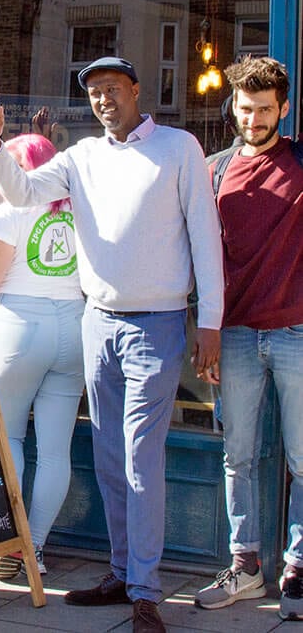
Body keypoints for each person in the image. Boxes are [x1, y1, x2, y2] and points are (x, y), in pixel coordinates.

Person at [0, 56, 223, 633]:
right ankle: (120, 572)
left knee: (140, 456)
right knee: (111, 456)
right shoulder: (81, 158)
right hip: (98, 321)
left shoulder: (178, 147)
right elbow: (24, 191)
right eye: (94, 92)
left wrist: (208, 321)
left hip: (158, 323)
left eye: (113, 88)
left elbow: (205, 237)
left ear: (137, 91)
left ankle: (145, 591)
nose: (104, 99)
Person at [194, 56, 303, 623]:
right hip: (234, 334)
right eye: (245, 108)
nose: (254, 118)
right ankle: (247, 565)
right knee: (238, 458)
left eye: (265, 109)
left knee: (302, 459)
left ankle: (299, 570)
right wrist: (205, 330)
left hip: (296, 332)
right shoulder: (214, 170)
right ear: (233, 108)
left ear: (283, 108)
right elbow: (200, 255)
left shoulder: (302, 161)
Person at [0, 133, 84, 580]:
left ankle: (12, 540)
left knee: (8, 438)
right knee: (55, 451)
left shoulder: (10, 212)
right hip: (74, 327)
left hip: (21, 327)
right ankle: (35, 549)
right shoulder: (78, 212)